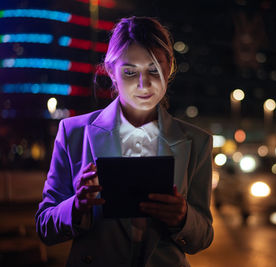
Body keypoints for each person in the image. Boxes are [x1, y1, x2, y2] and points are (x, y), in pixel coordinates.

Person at [35, 16, 214, 267]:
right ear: (111, 71)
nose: (144, 84)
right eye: (130, 71)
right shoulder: (74, 132)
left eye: (154, 69)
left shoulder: (197, 141)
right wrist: (76, 207)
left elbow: (203, 235)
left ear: (169, 67)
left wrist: (183, 218)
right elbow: (45, 226)